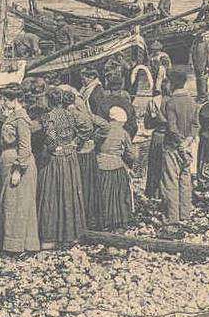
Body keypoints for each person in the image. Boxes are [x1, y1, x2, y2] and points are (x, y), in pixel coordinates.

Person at [37, 88, 87, 247]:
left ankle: (51, 237)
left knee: (52, 195)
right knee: (69, 195)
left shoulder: (48, 117)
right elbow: (87, 128)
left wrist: (51, 148)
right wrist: (75, 143)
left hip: (56, 160)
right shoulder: (69, 113)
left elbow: (50, 140)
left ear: (49, 100)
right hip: (70, 157)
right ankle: (71, 235)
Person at [0, 83, 40, 255]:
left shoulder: (21, 118)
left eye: (5, 99)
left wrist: (18, 170)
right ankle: (22, 244)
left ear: (14, 100)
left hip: (19, 166)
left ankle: (17, 246)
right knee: (16, 204)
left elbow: (25, 147)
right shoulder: (15, 115)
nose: (2, 102)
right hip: (12, 163)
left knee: (17, 205)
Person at [62, 84, 107, 229]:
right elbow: (105, 126)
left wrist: (80, 141)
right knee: (90, 187)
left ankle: (83, 219)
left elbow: (101, 127)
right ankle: (91, 218)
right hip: (89, 153)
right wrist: (94, 139)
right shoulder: (87, 115)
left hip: (81, 155)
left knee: (82, 186)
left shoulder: (74, 115)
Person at [94, 106, 136, 231]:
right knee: (119, 195)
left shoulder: (101, 129)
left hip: (100, 164)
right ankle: (118, 219)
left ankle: (101, 220)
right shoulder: (123, 133)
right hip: (116, 164)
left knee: (102, 193)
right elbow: (131, 154)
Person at [159, 131, 193, 224]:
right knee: (185, 181)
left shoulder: (171, 115)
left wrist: (180, 143)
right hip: (187, 146)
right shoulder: (194, 115)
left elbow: (172, 127)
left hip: (172, 145)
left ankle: (172, 216)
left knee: (170, 181)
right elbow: (196, 126)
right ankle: (185, 214)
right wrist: (187, 141)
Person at [189, 31, 209, 102]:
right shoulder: (195, 42)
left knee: (203, 80)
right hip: (196, 65)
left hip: (204, 65)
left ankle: (203, 97)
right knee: (198, 80)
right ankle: (200, 95)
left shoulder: (207, 43)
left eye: (201, 36)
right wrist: (191, 63)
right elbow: (191, 52)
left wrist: (208, 65)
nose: (200, 38)